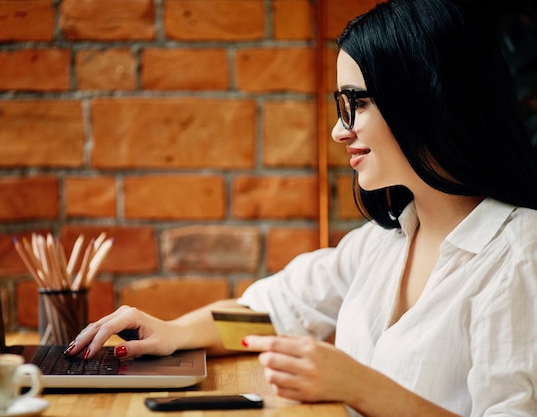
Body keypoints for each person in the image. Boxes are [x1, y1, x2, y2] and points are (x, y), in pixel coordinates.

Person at [65, 0, 537, 415]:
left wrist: (357, 385)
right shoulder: (384, 241)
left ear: (426, 100)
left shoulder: (519, 255)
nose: (339, 130)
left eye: (357, 104)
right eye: (340, 105)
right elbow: (270, 314)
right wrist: (175, 333)